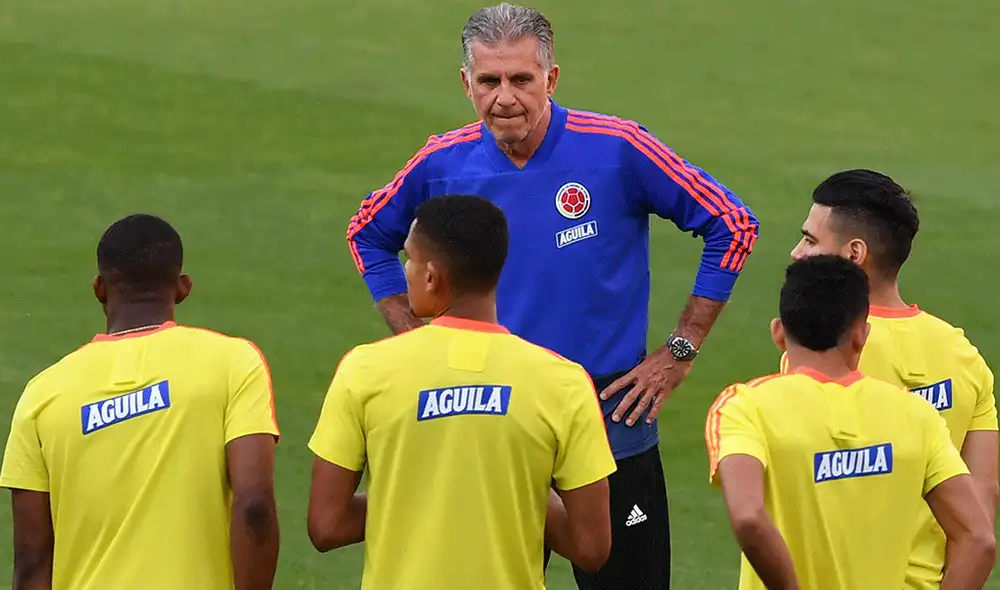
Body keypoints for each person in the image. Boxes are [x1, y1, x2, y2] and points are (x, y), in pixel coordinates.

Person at [344, 4, 759, 587]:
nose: (505, 97)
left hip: (610, 414)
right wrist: (414, 338)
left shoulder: (617, 148)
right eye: (489, 81)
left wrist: (678, 351)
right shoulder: (441, 163)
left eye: (522, 79)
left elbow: (732, 223)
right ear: (467, 84)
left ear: (551, 79)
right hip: (494, 425)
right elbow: (366, 235)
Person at [308, 195, 616, 589]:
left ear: (432, 276)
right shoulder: (563, 382)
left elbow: (326, 525)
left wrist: (417, 497)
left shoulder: (365, 371)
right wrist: (517, 496)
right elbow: (591, 546)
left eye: (410, 260)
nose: (406, 270)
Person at [0, 214, 281, 590]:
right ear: (183, 288)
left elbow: (33, 562)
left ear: (100, 288)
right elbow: (255, 509)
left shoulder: (42, 394)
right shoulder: (233, 362)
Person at [706, 255, 995, 590]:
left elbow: (747, 515)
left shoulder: (745, 407)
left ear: (778, 333)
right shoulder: (916, 416)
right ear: (862, 335)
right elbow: (978, 538)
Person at [782, 169, 998, 588]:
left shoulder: (821, 351)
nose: (796, 253)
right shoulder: (962, 355)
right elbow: (980, 515)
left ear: (853, 253)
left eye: (810, 240)